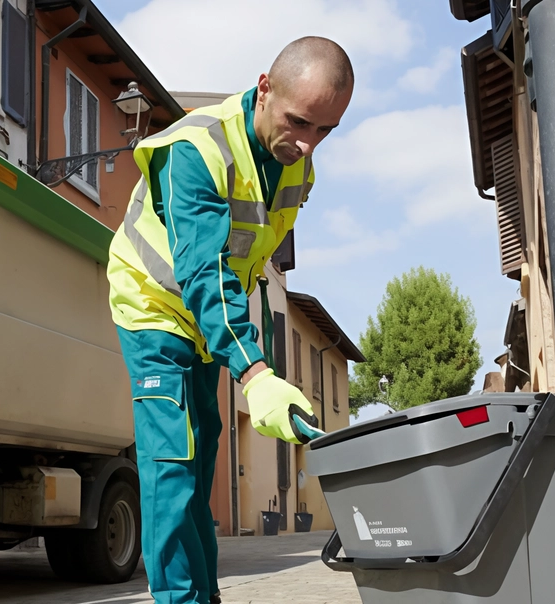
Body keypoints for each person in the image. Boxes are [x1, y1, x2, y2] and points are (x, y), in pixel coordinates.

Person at [106, 37, 354, 604]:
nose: (308, 144)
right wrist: (255, 370)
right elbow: (205, 272)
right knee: (172, 462)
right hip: (155, 307)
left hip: (205, 323)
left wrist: (247, 356)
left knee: (202, 457)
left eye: (325, 131)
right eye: (299, 122)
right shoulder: (196, 150)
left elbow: (247, 266)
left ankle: (203, 596)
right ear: (264, 87)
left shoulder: (295, 166)